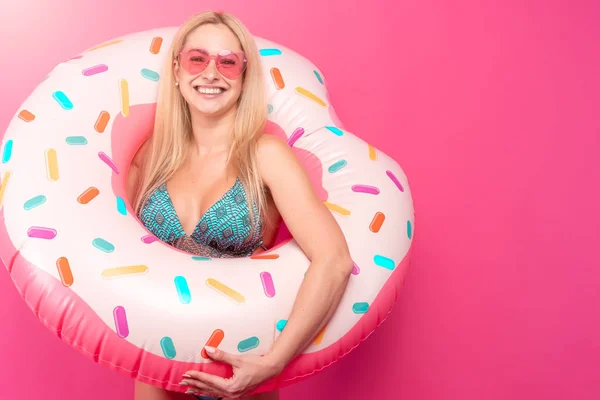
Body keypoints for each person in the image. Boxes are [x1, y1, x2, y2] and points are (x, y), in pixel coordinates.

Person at [126, 10, 354, 400]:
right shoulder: (151, 156)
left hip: (243, 371)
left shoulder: (265, 154)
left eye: (228, 62)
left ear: (244, 78)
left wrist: (275, 362)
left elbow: (334, 261)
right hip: (161, 376)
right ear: (178, 70)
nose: (211, 73)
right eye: (198, 58)